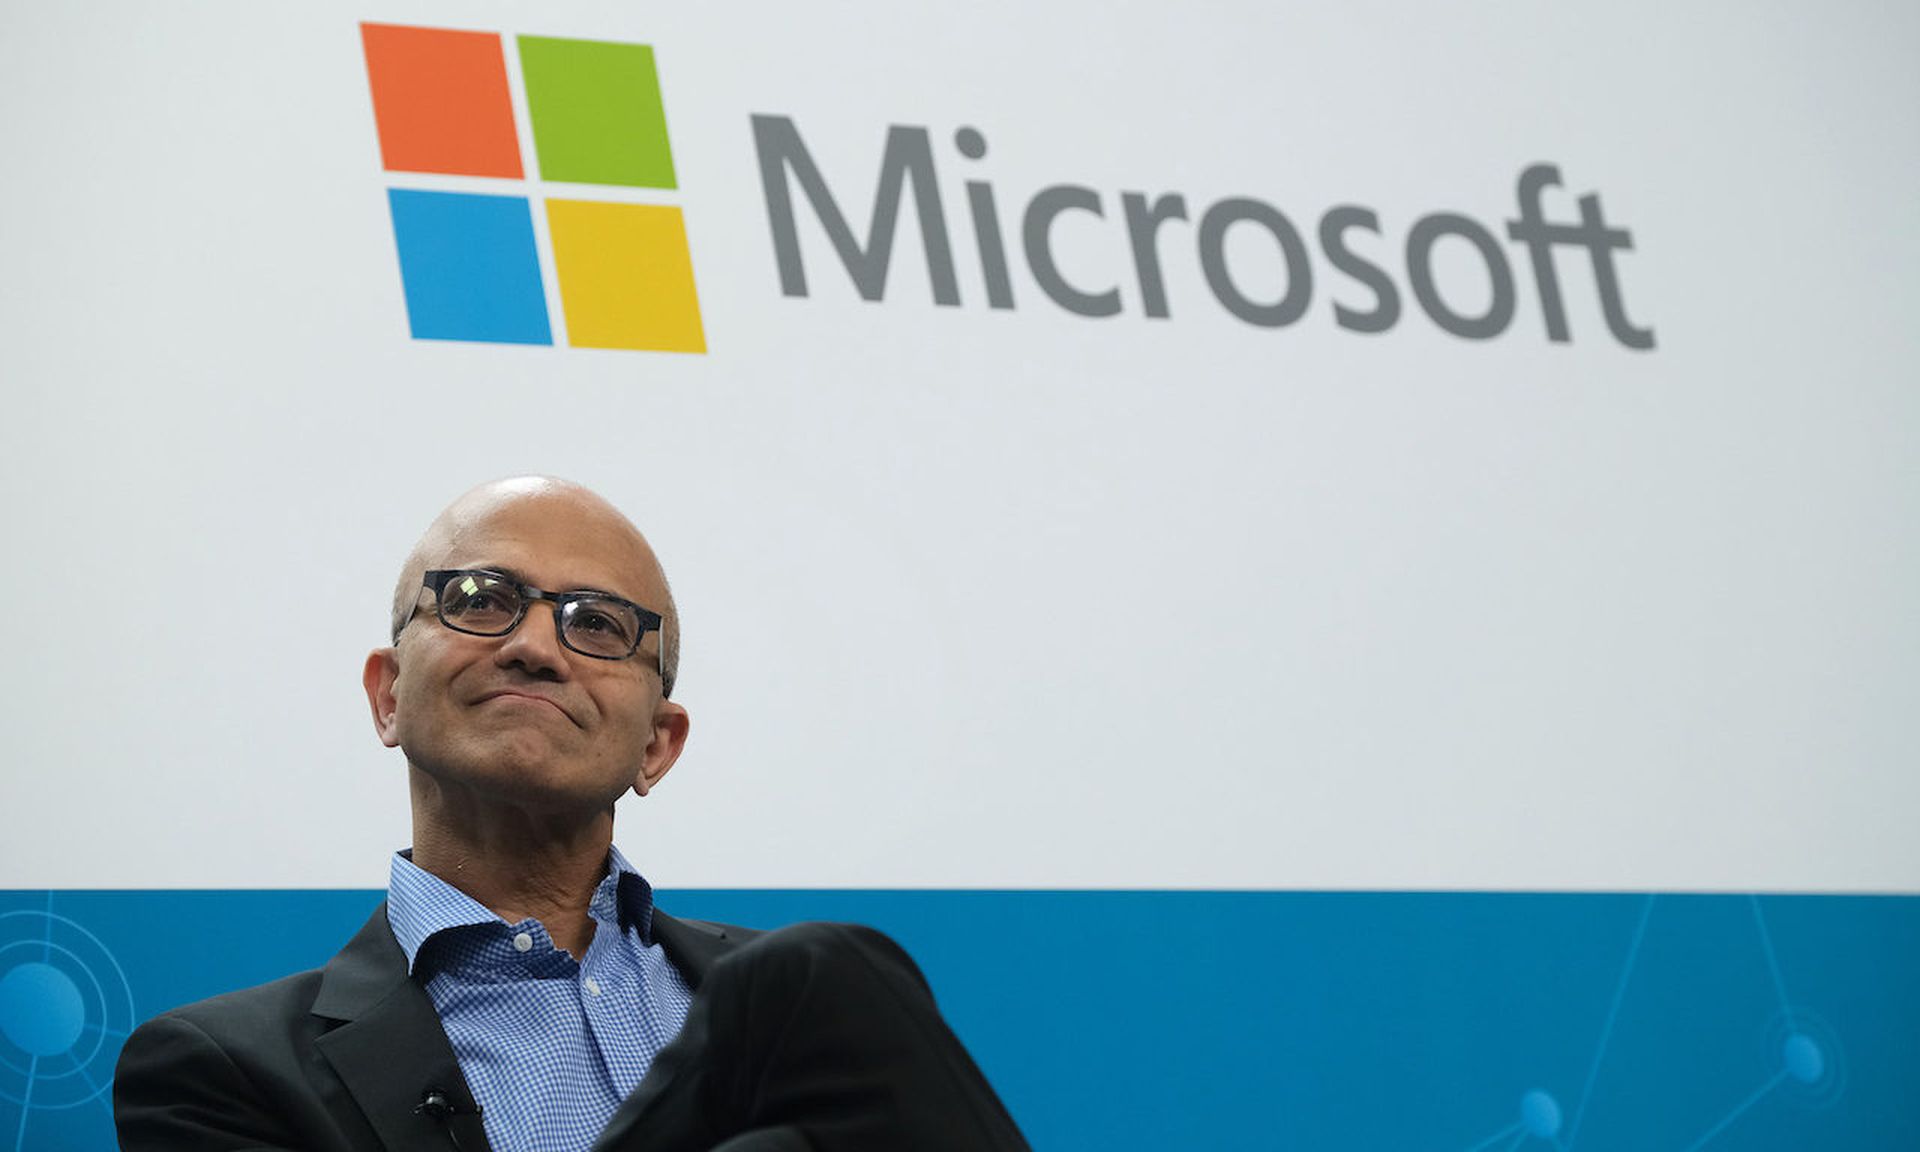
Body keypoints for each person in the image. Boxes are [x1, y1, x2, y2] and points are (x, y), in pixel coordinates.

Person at [113, 477, 1028, 1152]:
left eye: (597, 625)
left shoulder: (796, 1016)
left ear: (656, 747)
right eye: (481, 600)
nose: (533, 646)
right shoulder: (217, 1070)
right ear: (388, 696)